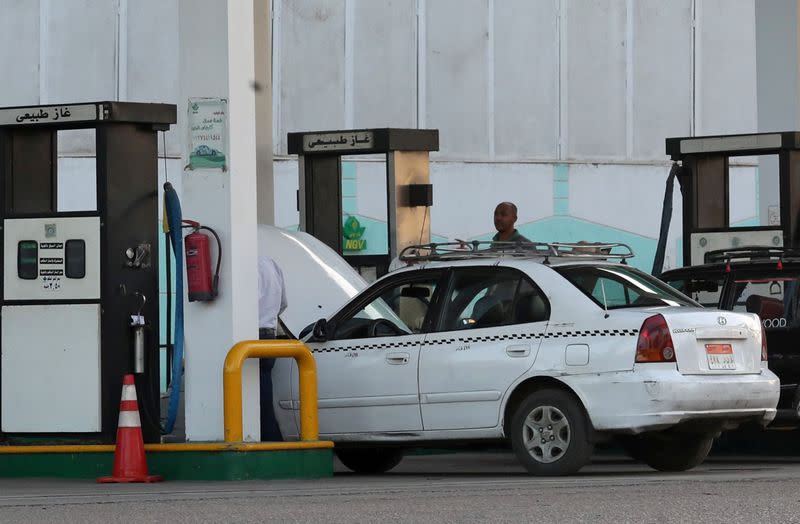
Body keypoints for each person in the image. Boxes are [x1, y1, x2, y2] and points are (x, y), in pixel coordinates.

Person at [258, 255, 287, 442]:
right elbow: (283, 303)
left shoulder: (238, 264)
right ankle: (272, 439)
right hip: (269, 333)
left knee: (256, 397)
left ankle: (270, 442)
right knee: (264, 392)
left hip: (248, 336)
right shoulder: (270, 263)